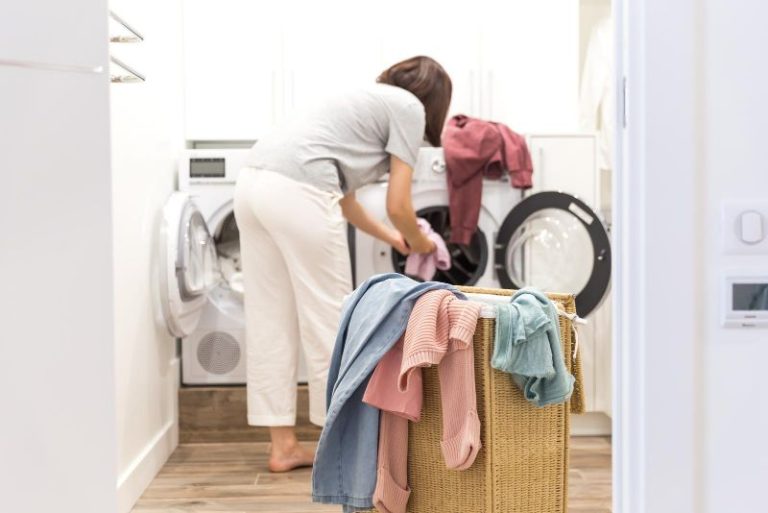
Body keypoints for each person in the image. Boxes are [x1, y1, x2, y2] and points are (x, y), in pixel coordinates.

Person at [234, 56, 452, 472]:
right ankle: (344, 448)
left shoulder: (362, 101)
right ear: (434, 100)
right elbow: (400, 205)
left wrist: (392, 238)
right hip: (299, 192)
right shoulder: (409, 108)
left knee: (270, 320)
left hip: (252, 185)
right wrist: (425, 242)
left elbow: (347, 200)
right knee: (334, 321)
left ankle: (282, 447)